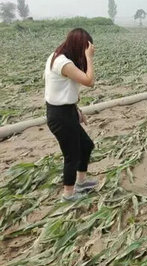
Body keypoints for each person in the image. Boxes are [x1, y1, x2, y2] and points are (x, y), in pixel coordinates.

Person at [44, 28, 97, 201]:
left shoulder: (60, 58)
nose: (85, 53)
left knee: (86, 145)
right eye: (84, 49)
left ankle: (81, 182)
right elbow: (89, 81)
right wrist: (89, 58)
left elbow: (63, 90)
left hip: (67, 111)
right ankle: (68, 194)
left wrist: (76, 110)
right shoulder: (63, 63)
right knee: (72, 155)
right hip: (60, 116)